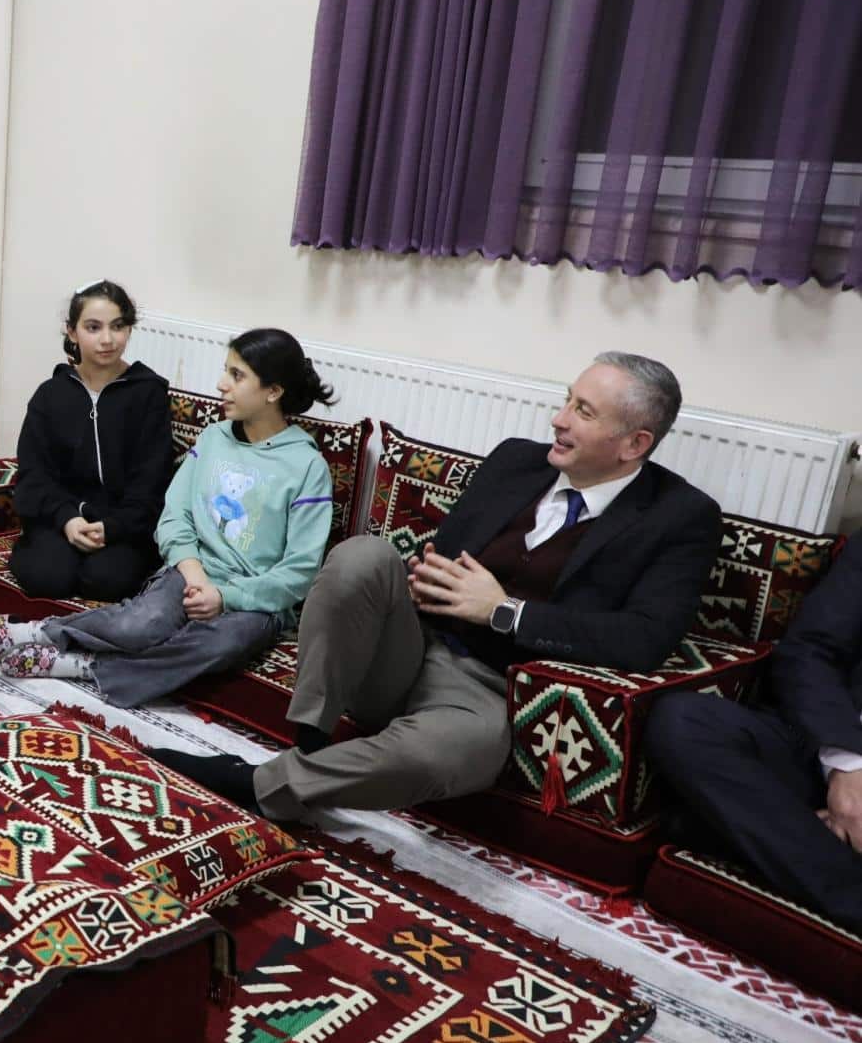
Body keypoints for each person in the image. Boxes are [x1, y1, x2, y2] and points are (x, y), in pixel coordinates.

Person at [155, 351, 721, 821]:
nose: (559, 419)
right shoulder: (516, 461)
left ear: (633, 443)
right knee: (362, 555)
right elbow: (445, 555)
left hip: (486, 691)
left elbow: (645, 639)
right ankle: (310, 734)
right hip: (407, 648)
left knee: (446, 757)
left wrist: (505, 611)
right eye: (567, 400)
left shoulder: (680, 517)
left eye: (583, 412)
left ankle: (264, 782)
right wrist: (425, 578)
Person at [0, 328, 335, 708]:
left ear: (273, 391)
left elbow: (301, 570)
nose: (221, 384)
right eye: (226, 371)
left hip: (256, 600)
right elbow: (174, 516)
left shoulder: (307, 466)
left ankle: (84, 665)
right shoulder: (214, 438)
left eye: (237, 375)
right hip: (191, 571)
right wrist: (195, 575)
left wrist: (225, 596)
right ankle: (38, 632)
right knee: (141, 624)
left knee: (221, 644)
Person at [644, 531, 862, 931]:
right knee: (684, 723)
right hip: (824, 745)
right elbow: (809, 650)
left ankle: (775, 838)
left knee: (690, 822)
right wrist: (848, 765)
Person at [9, 280, 172, 602]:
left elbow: (152, 480)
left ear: (129, 329)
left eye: (118, 326)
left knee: (107, 580)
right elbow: (34, 475)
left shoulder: (148, 393)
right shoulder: (50, 395)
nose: (107, 340)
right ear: (72, 332)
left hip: (126, 527)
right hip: (61, 519)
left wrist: (113, 527)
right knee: (47, 577)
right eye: (93, 328)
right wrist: (68, 519)